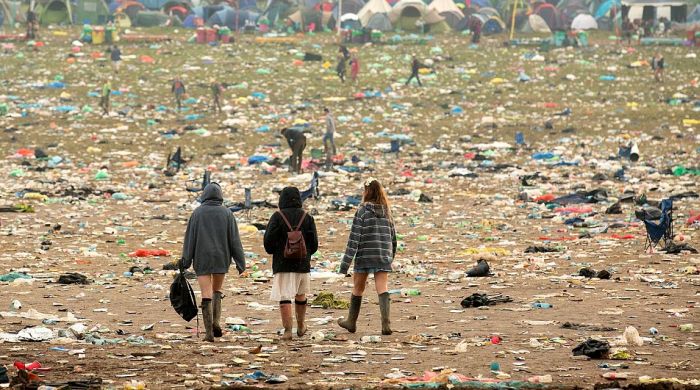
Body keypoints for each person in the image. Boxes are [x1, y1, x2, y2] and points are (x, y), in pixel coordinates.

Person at [180, 183, 246, 342]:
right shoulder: (227, 213)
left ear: (205, 195)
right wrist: (240, 262)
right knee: (217, 290)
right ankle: (216, 322)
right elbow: (234, 240)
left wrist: (185, 261)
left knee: (206, 294)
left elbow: (190, 239)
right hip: (221, 257)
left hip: (202, 258)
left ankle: (209, 333)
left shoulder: (197, 213)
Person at [337, 178, 397, 336]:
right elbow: (393, 237)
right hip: (383, 255)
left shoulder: (362, 210)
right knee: (382, 288)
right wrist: (391, 256)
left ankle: (351, 322)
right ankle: (385, 325)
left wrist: (344, 266)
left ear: (367, 192)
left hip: (365, 255)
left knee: (358, 288)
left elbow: (354, 238)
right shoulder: (387, 211)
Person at [264, 187, 319, 341]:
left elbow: (268, 243)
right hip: (302, 264)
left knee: (284, 296)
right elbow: (314, 244)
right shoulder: (307, 217)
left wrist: (278, 250)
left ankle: (288, 330)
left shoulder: (277, 217)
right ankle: (301, 326)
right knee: (301, 295)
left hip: (283, 264)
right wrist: (305, 253)